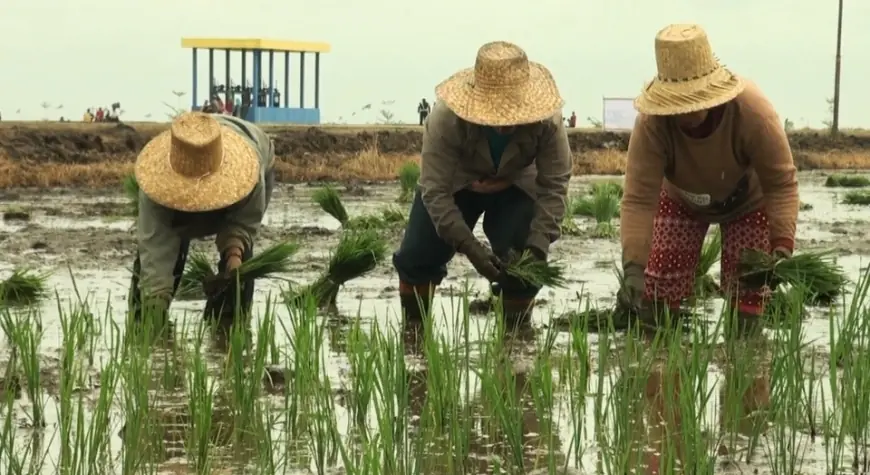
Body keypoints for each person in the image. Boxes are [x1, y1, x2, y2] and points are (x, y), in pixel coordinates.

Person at [616, 23, 797, 468]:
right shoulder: (654, 125)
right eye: (678, 105)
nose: (687, 114)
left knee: (747, 292)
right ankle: (662, 400)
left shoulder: (751, 110)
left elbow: (780, 182)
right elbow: (639, 197)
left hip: (747, 201)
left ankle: (744, 405)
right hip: (682, 200)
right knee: (658, 297)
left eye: (695, 104)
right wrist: (634, 269)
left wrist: (781, 249)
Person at [393, 41, 571, 330]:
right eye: (492, 117)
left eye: (512, 117)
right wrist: (471, 248)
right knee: (417, 254)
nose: (502, 127)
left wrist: (536, 250)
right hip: (458, 182)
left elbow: (555, 185)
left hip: (516, 182)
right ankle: (414, 333)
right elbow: (435, 191)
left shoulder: (547, 123)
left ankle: (516, 338)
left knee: (521, 257)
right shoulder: (446, 119)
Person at [129, 112, 276, 325]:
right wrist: (154, 305)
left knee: (237, 275)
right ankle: (142, 323)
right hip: (175, 196)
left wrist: (234, 257)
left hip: (254, 153)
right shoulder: (156, 192)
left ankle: (227, 328)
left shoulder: (248, 173)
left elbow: (242, 222)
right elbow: (155, 249)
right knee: (150, 286)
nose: (196, 198)